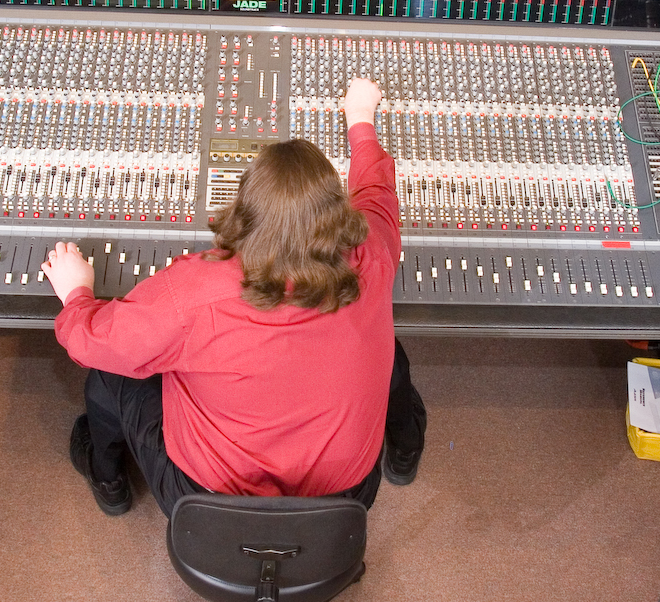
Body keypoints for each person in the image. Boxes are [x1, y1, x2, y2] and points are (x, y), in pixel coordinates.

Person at [41, 77, 427, 516]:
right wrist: (360, 118)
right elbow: (377, 194)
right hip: (344, 501)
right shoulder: (372, 255)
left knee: (110, 375)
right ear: (338, 216)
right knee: (389, 353)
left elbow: (92, 342)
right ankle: (404, 452)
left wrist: (77, 293)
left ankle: (108, 479)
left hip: (206, 501)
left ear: (244, 212)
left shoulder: (195, 292)